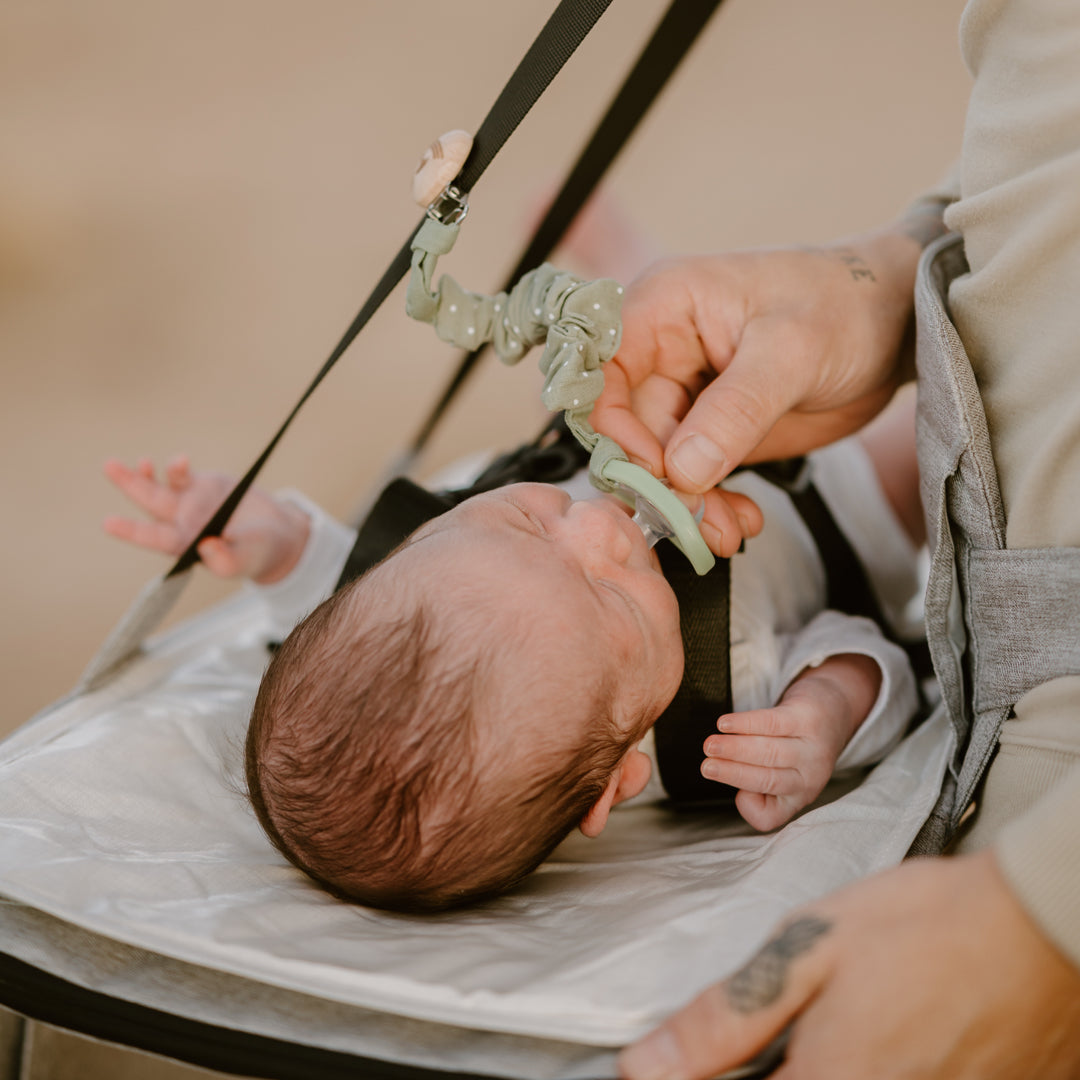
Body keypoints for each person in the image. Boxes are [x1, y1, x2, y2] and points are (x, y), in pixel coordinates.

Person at [594, 3, 1080, 1075]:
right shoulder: (682, 720)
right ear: (602, 791)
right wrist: (882, 279)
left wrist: (1048, 920)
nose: (586, 532)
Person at [102, 381, 922, 912]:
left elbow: (335, 579)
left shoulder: (430, 590)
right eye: (612, 594)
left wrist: (275, 543)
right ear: (614, 781)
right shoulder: (714, 722)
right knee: (923, 434)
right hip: (836, 508)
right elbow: (862, 649)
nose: (600, 523)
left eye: (526, 520)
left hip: (657, 422)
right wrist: (827, 709)